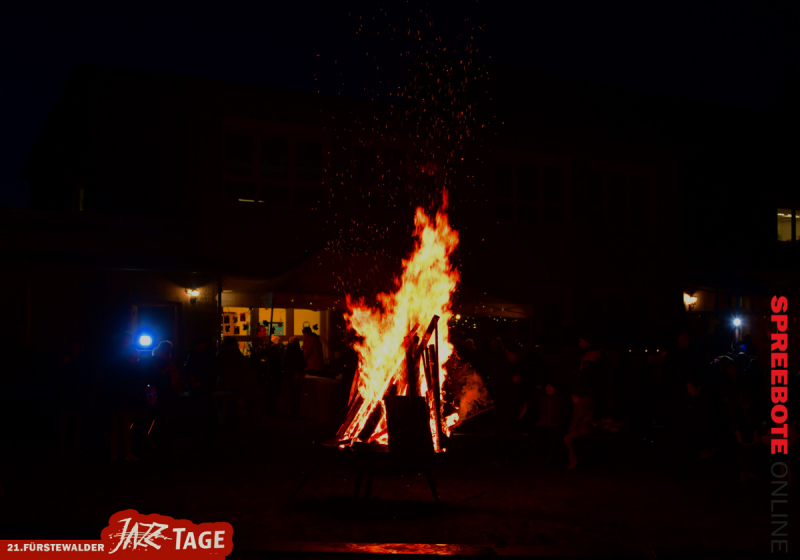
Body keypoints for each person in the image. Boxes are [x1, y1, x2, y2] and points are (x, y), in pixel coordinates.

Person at [56, 339, 93, 456]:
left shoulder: (76, 361)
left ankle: (71, 447)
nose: (75, 349)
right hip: (69, 398)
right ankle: (63, 448)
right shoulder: (70, 361)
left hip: (75, 398)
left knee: (74, 425)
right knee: (65, 424)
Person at [564, 389, 594, 470]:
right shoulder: (583, 404)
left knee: (567, 438)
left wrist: (570, 430)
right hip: (583, 427)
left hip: (584, 428)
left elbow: (576, 419)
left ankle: (573, 459)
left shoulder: (581, 406)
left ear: (579, 397)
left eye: (574, 397)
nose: (573, 400)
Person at [284, 336, 306, 417]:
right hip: (296, 374)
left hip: (289, 373)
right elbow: (300, 362)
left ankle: (290, 410)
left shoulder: (288, 351)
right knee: (296, 394)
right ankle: (295, 411)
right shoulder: (298, 351)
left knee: (290, 392)